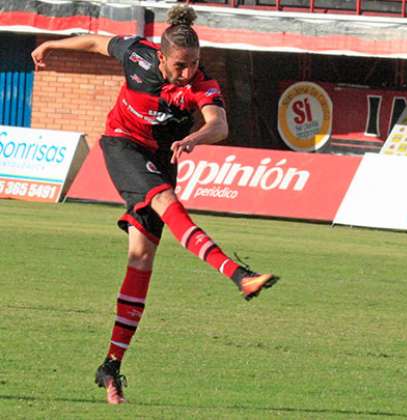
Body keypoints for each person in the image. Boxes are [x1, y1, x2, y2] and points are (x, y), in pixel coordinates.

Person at [31, 5, 279, 405]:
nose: (188, 72)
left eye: (194, 64)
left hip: (162, 159)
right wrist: (52, 46)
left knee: (141, 257)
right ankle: (237, 274)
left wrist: (193, 139)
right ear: (161, 57)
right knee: (165, 201)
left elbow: (219, 124)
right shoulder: (136, 54)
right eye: (181, 65)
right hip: (122, 146)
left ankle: (110, 365)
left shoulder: (202, 83)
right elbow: (96, 41)